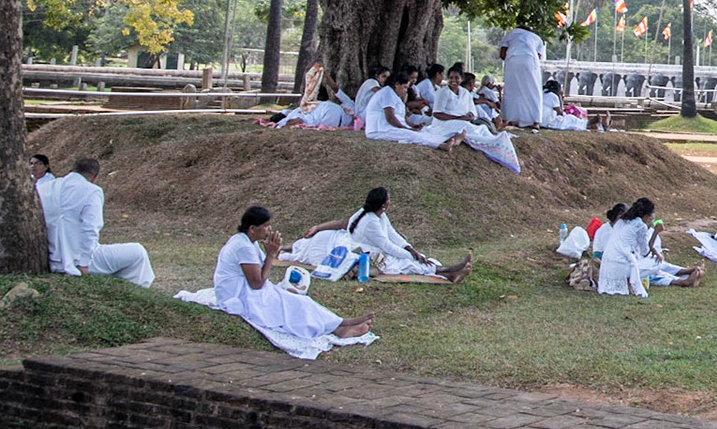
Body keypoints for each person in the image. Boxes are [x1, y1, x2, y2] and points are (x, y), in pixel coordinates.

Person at [212, 206, 374, 354]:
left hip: (245, 289)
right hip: (238, 296)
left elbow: (258, 276)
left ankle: (339, 324)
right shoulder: (243, 247)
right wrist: (270, 254)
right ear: (253, 229)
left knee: (299, 301)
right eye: (266, 226)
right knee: (296, 305)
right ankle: (339, 327)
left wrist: (270, 254)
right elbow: (257, 283)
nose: (269, 230)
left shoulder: (247, 241)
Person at [292, 188, 473, 282]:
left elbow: (393, 235)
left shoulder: (378, 215)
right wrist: (412, 255)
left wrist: (410, 248)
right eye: (388, 199)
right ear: (384, 205)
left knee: (412, 259)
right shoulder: (370, 222)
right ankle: (449, 271)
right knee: (405, 262)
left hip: (376, 249)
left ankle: (449, 272)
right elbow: (387, 246)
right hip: (366, 253)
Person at [49, 158, 154, 287]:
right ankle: (141, 289)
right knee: (138, 252)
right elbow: (90, 229)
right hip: (75, 259)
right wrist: (84, 264)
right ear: (94, 177)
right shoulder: (92, 191)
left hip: (51, 256)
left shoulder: (46, 187)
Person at [436, 70, 522, 171]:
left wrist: (469, 116)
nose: (453, 80)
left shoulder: (465, 93)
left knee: (482, 130)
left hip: (463, 121)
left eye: (456, 78)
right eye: (451, 78)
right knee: (468, 130)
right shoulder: (443, 92)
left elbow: (472, 111)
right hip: (448, 121)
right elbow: (437, 113)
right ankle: (454, 141)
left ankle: (509, 156)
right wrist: (459, 118)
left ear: (461, 79)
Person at [363, 73, 463, 149]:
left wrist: (412, 125)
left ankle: (448, 138)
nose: (406, 90)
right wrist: (405, 128)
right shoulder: (387, 93)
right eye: (405, 87)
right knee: (411, 135)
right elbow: (390, 118)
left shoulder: (394, 95)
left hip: (390, 128)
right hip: (380, 130)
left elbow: (402, 117)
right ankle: (441, 145)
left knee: (423, 130)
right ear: (397, 84)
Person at [497, 25, 547, 127]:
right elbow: (538, 56)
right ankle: (535, 121)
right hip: (530, 60)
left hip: (512, 60)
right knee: (533, 90)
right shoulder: (536, 38)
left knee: (512, 90)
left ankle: (509, 119)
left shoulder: (511, 34)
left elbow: (502, 54)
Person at [30, 154, 58, 268]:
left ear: (46, 166)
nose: (34, 166)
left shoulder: (51, 183)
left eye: (38, 163)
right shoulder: (27, 179)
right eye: (31, 163)